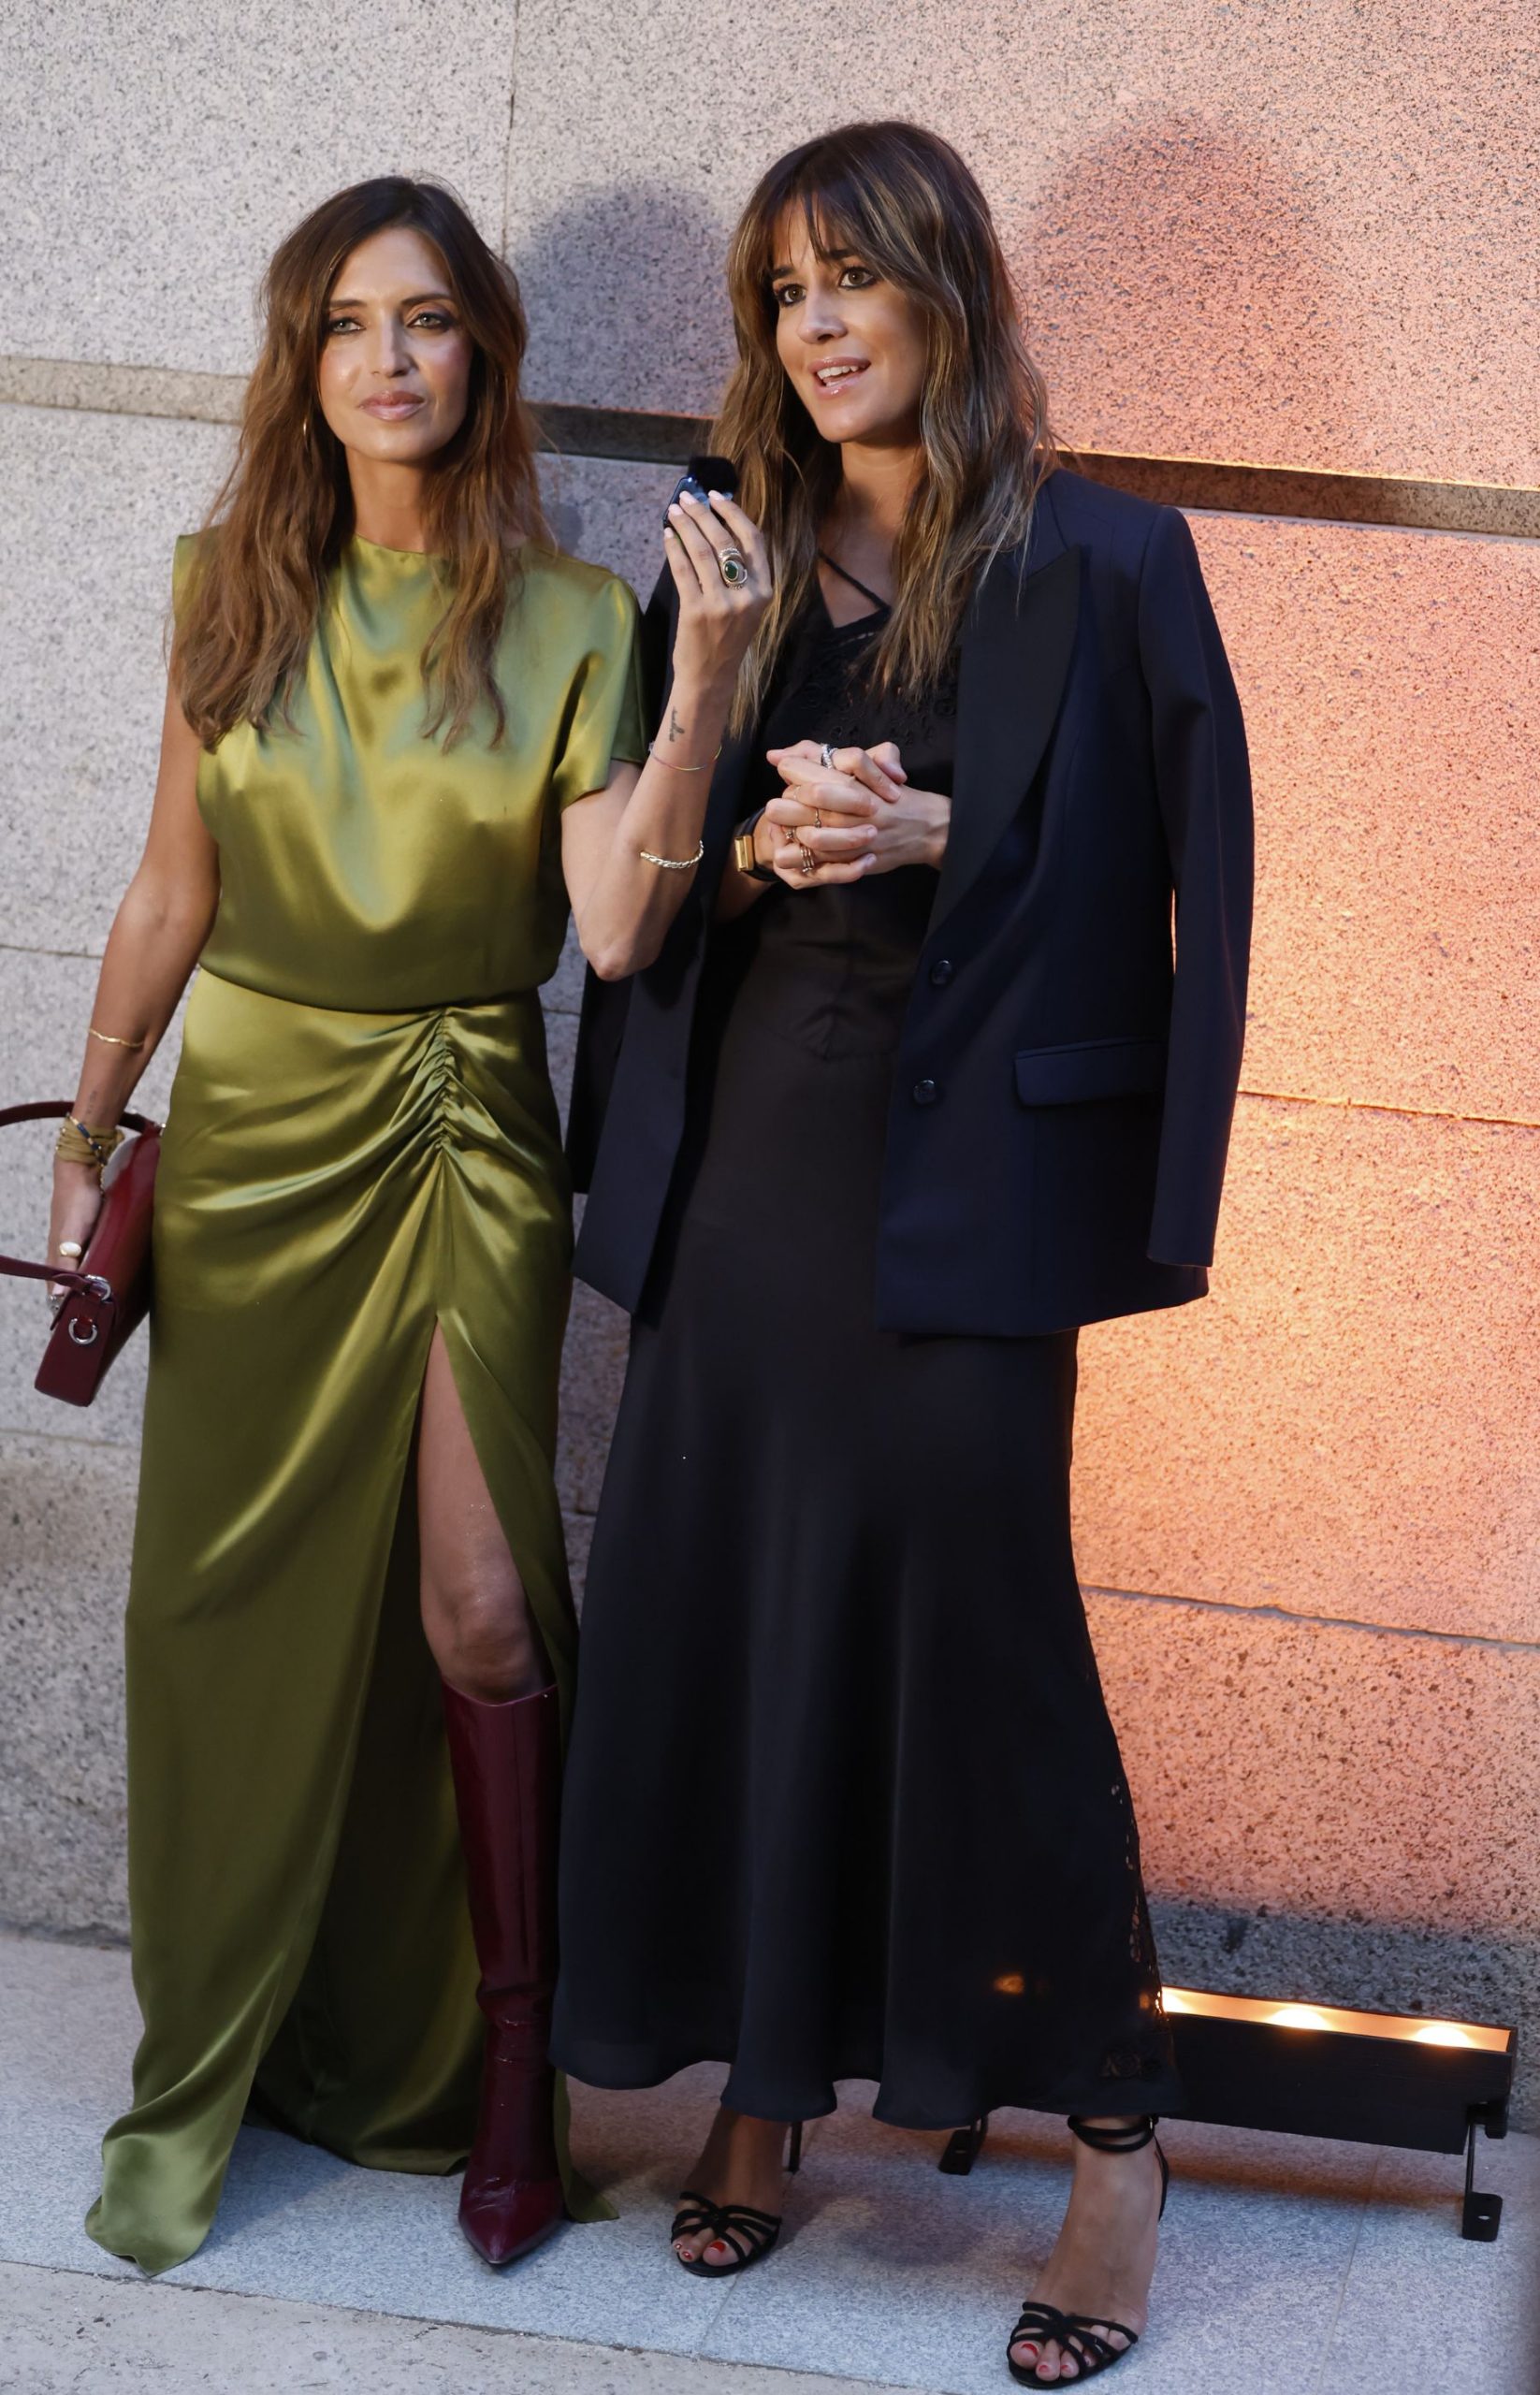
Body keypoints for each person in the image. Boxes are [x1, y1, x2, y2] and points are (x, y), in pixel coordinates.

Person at [554, 122, 1252, 2386]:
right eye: (781, 289)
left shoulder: (1113, 561)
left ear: (949, 291)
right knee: (735, 1608)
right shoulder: (724, 554)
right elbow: (632, 917)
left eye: (854, 277)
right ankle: (762, 2086)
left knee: (986, 1655)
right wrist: (724, 740)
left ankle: (1117, 2135)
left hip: (970, 1203)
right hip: (749, 1158)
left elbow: (1195, 914)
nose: (817, 324)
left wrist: (956, 836)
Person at [50, 174, 766, 2278]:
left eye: (429, 319)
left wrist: (708, 672)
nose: (390, 356)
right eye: (351, 321)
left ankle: (505, 2082)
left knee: (477, 1604)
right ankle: (230, 2039)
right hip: (256, 1128)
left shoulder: (569, 619)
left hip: (464, 1118)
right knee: (227, 1605)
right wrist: (93, 1114)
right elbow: (173, 890)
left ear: (481, 358)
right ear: (307, 360)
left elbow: (620, 926)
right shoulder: (223, 592)